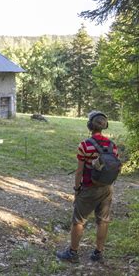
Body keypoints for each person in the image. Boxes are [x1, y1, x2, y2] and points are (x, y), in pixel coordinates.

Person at [56, 110, 118, 262]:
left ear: (90, 125)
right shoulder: (112, 145)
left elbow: (79, 172)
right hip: (107, 188)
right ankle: (98, 253)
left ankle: (73, 253)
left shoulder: (85, 145)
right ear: (105, 126)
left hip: (89, 188)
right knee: (103, 221)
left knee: (78, 221)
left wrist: (77, 190)